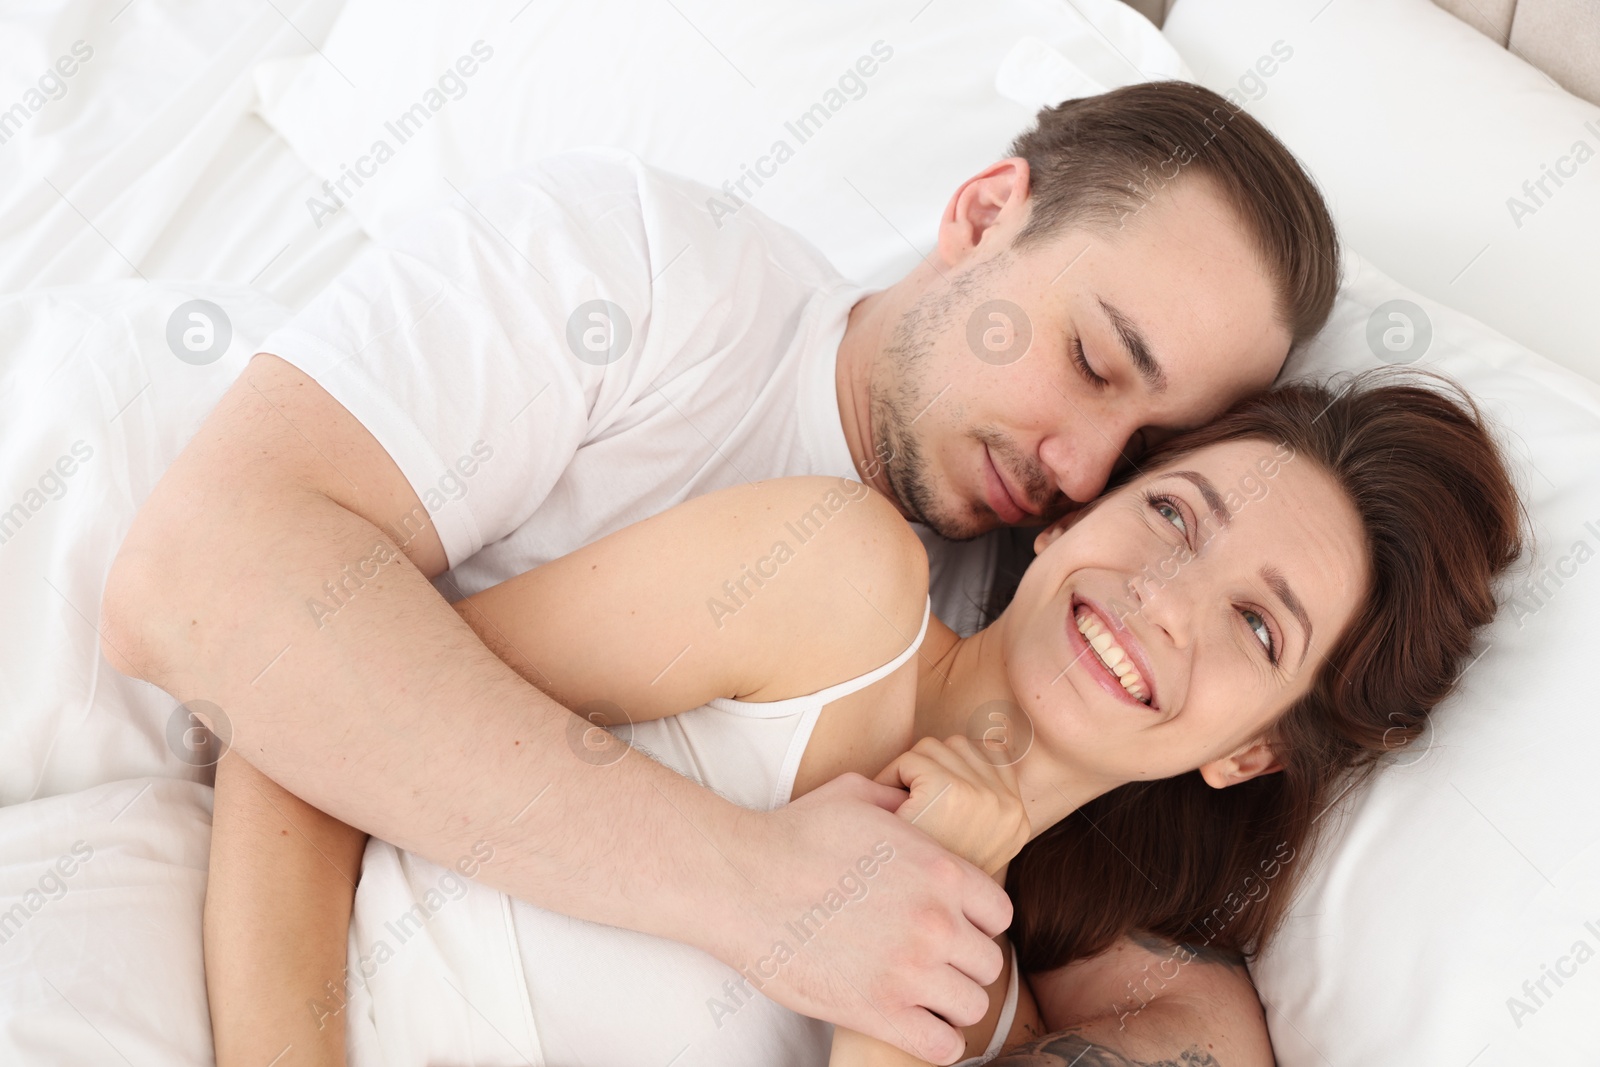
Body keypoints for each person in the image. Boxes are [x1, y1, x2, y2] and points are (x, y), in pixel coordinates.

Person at [99, 82, 1342, 1063]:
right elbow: (209, 607)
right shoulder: (647, 271)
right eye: (1086, 357)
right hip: (117, 715)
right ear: (980, 214)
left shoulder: (1005, 632)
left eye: (1144, 456)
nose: (1078, 469)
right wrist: (754, 891)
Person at [202, 373, 1523, 1067]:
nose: (1165, 598)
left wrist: (923, 913)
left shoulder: (992, 1017)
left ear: (1254, 750)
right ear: (1073, 513)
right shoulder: (825, 585)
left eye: (1257, 626)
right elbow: (298, 713)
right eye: (1172, 514)